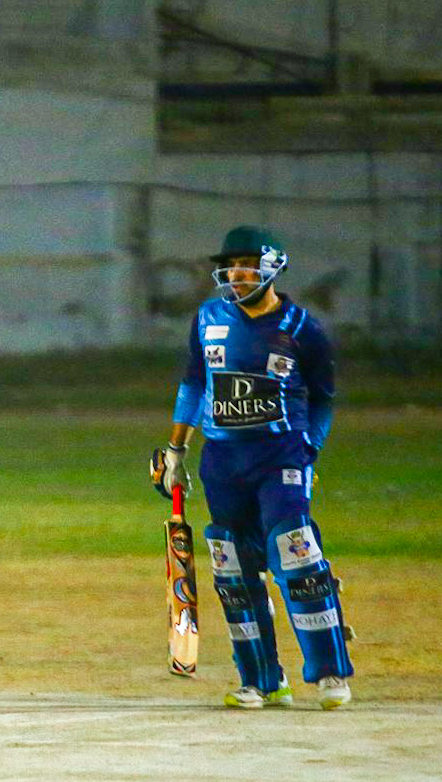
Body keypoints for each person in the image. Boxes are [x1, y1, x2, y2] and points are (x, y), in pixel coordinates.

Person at [150, 225, 354, 710]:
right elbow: (194, 384)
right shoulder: (208, 318)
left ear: (272, 266)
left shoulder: (302, 327)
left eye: (246, 265)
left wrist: (308, 450)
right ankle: (262, 680)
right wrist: (176, 451)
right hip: (222, 460)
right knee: (234, 571)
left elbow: (323, 399)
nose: (236, 275)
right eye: (230, 266)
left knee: (297, 559)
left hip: (280, 457)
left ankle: (330, 673)